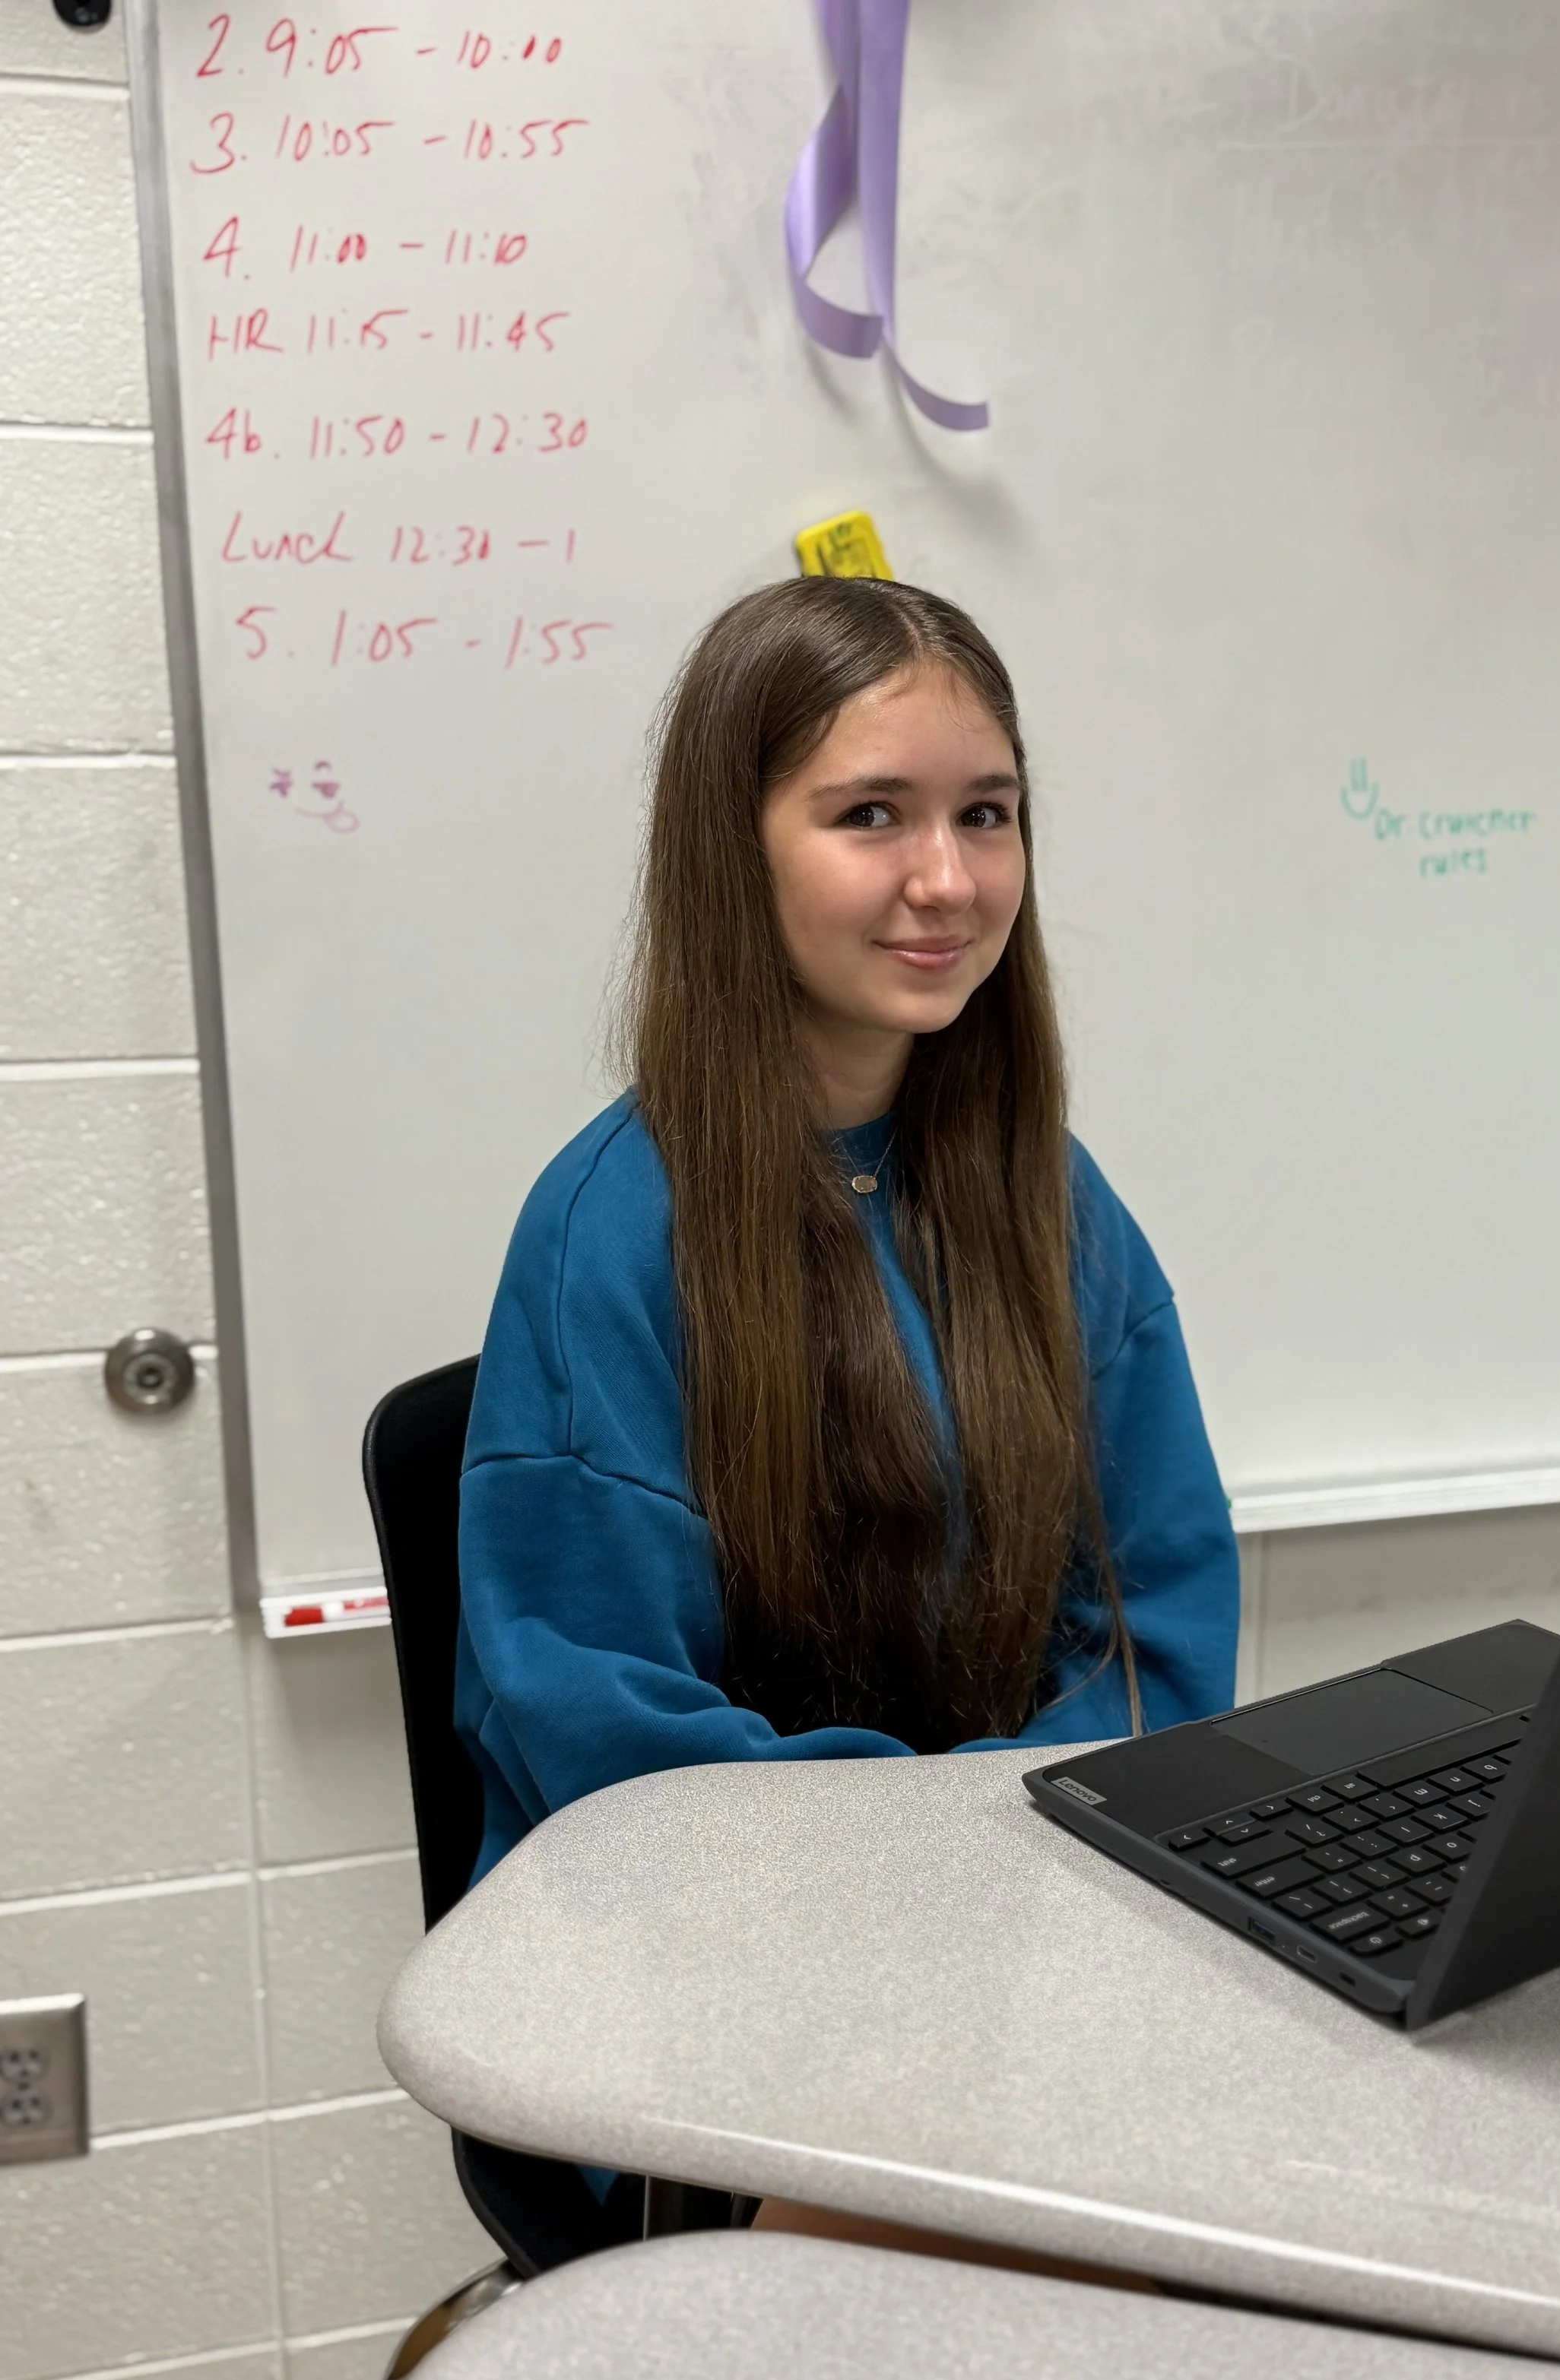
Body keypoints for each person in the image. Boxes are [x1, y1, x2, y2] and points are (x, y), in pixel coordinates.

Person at [456, 573, 1238, 1877]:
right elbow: (611, 1736)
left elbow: (1153, 1627)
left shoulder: (1050, 1196)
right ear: (733, 845)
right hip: (701, 1937)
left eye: (986, 815)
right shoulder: (609, 1234)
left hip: (1010, 1902)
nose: (948, 878)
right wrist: (962, 1835)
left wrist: (1003, 1837)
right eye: (871, 815)